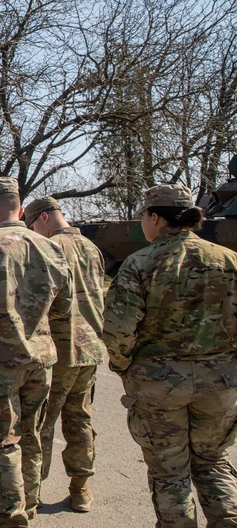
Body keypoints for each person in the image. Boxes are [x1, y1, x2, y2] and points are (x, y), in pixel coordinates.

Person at [104, 183, 237, 527]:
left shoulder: (139, 264)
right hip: (220, 383)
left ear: (154, 217)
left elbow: (119, 329)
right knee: (213, 462)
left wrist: (122, 367)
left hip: (158, 385)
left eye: (143, 217)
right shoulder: (228, 261)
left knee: (169, 473)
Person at [0, 177, 72, 527]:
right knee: (30, 437)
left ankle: (12, 518)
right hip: (41, 359)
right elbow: (63, 309)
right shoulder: (51, 247)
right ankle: (28, 507)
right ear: (21, 207)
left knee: (1, 445)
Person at [24, 196, 106, 512]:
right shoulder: (91, 248)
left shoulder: (50, 248)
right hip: (90, 350)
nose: (34, 231)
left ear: (43, 218)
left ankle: (30, 495)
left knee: (39, 424)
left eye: (33, 225)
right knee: (80, 421)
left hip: (58, 350)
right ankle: (81, 489)